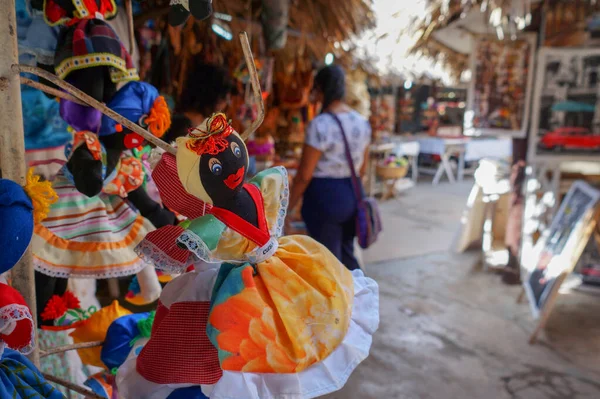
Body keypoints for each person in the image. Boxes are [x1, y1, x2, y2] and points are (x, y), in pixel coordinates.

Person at [287, 65, 372, 271]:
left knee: (328, 263)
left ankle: (338, 301)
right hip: (352, 194)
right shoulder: (361, 122)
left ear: (321, 89)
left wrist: (287, 207)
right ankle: (358, 298)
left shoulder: (320, 125)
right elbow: (362, 170)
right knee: (346, 255)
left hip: (324, 197)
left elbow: (304, 176)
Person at [162, 61, 233, 143]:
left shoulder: (191, 123)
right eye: (225, 99)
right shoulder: (185, 127)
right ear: (215, 98)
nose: (225, 105)